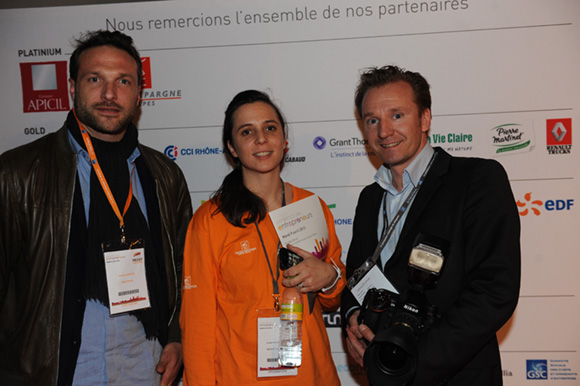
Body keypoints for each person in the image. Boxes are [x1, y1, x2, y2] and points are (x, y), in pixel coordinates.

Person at [0, 30, 192, 386]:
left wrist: (177, 336)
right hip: (58, 373)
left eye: (123, 81)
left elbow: (184, 272)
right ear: (72, 87)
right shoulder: (17, 173)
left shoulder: (164, 175)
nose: (109, 94)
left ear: (139, 94)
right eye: (95, 79)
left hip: (145, 370)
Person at [341, 65, 521, 385]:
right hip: (384, 371)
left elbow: (495, 290)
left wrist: (413, 364)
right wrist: (354, 317)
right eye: (372, 120)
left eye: (397, 115)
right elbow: (357, 275)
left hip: (456, 376)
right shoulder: (370, 198)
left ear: (425, 119)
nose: (384, 131)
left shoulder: (476, 180)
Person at [180, 90, 346, 385]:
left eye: (270, 128)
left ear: (284, 140)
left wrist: (331, 276)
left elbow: (333, 300)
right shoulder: (210, 221)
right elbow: (197, 325)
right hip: (240, 376)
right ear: (232, 147)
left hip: (313, 375)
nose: (261, 139)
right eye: (247, 132)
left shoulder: (312, 206)